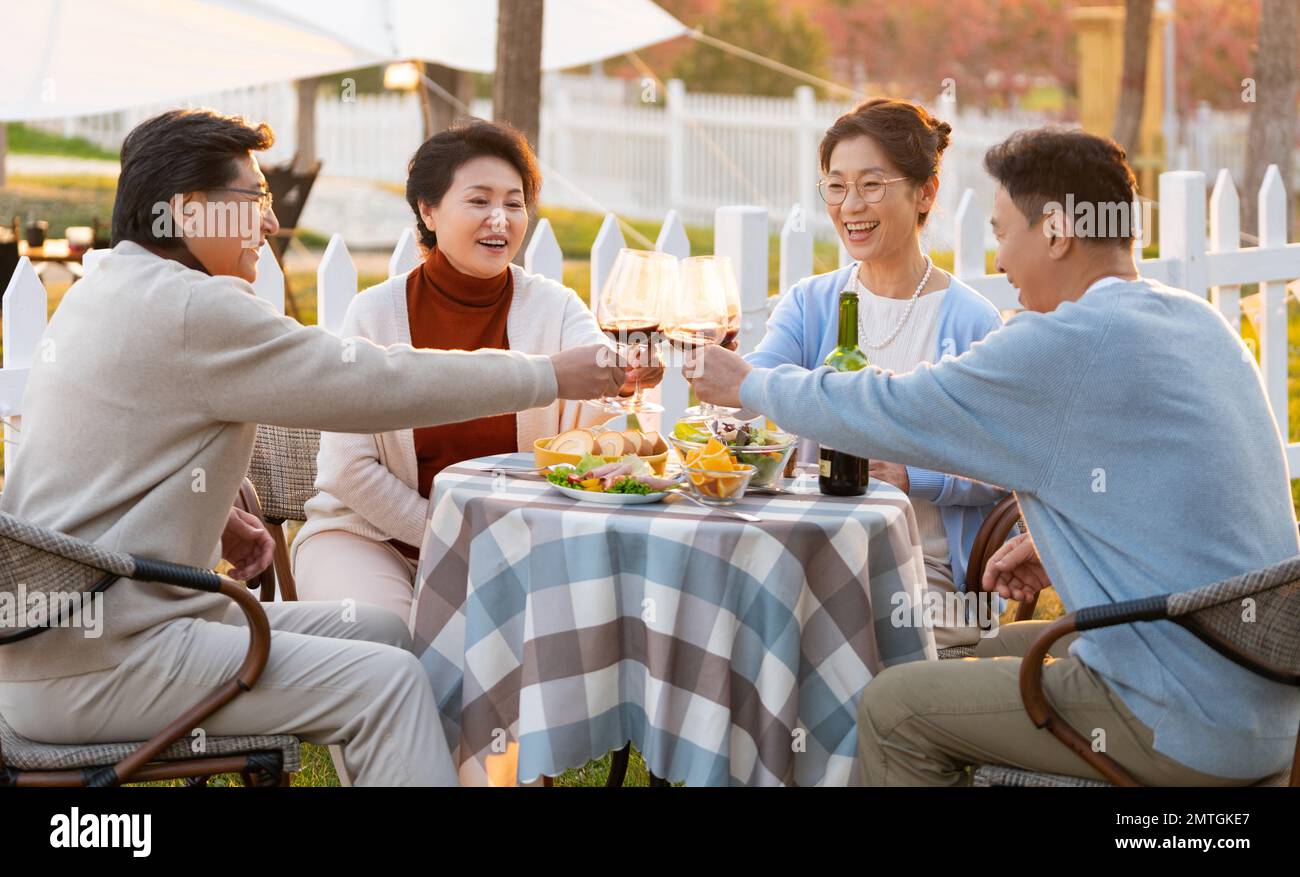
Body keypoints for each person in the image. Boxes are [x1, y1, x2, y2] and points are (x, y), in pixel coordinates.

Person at [0, 109, 637, 786]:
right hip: (101, 666)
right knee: (386, 682)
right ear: (189, 213)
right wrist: (546, 374)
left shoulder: (108, 284)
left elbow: (122, 442)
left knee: (391, 638)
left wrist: (216, 512)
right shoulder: (193, 309)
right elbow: (371, 380)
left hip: (81, 641)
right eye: (255, 199)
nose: (271, 223)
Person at [684, 127, 1300, 785]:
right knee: (945, 652)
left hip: (1178, 721)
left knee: (893, 709)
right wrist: (1066, 539)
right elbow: (1197, 488)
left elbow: (893, 410)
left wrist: (748, 384)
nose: (1000, 260)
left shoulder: (1060, 344)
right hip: (1263, 702)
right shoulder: (1196, 321)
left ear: (1058, 232)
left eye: (1004, 232)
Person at [291, 121, 650, 622]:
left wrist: (632, 375)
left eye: (514, 202)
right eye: (479, 201)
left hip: (520, 539)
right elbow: (345, 469)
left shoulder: (556, 306)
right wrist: (456, 535)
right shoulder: (374, 314)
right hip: (372, 538)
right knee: (384, 635)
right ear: (428, 210)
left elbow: (607, 387)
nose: (500, 219)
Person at [747, 98, 1004, 647]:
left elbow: (1001, 462)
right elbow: (754, 395)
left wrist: (914, 477)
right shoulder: (811, 303)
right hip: (805, 544)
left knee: (811, 628)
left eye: (871, 184)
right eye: (836, 186)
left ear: (926, 193)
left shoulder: (971, 319)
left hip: (923, 574)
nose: (850, 205)